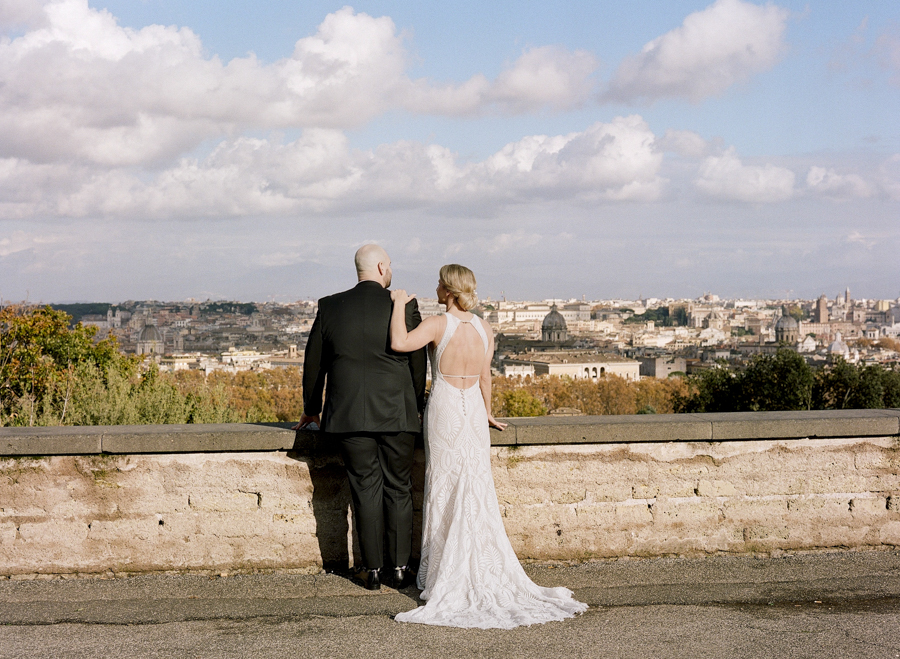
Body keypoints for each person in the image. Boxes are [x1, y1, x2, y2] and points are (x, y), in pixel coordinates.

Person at [388, 264, 587, 628]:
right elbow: (484, 377)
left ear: (449, 291)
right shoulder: (485, 327)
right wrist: (488, 413)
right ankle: (479, 563)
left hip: (446, 408)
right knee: (477, 484)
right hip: (474, 412)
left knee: (444, 484)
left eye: (439, 283)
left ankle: (443, 570)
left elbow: (399, 343)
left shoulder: (437, 324)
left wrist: (399, 304)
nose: (435, 287)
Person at [296, 244, 426, 591]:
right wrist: (416, 404)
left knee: (364, 488)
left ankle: (371, 570)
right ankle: (400, 569)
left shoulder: (330, 306)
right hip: (397, 413)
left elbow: (314, 365)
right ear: (382, 267)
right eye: (390, 265)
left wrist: (312, 408)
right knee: (398, 488)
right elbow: (417, 363)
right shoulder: (405, 305)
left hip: (349, 413)